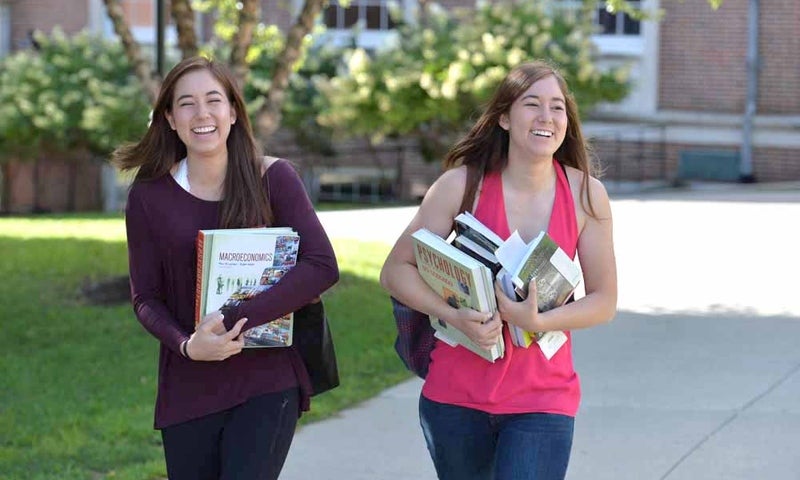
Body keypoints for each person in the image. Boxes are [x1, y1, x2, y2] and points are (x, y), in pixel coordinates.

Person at [380, 60, 617, 480]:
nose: (547, 117)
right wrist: (454, 315)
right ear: (504, 117)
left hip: (544, 401)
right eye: (532, 104)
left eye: (557, 107)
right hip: (455, 399)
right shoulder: (461, 186)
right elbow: (395, 270)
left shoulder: (586, 195)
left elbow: (604, 301)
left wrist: (538, 318)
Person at [115, 56, 339, 480]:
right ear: (169, 117)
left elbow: (321, 265)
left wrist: (232, 319)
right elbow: (146, 298)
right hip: (188, 382)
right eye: (187, 103)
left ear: (233, 112)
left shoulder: (274, 178)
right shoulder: (148, 197)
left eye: (214, 100)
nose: (202, 114)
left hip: (268, 379)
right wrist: (187, 345)